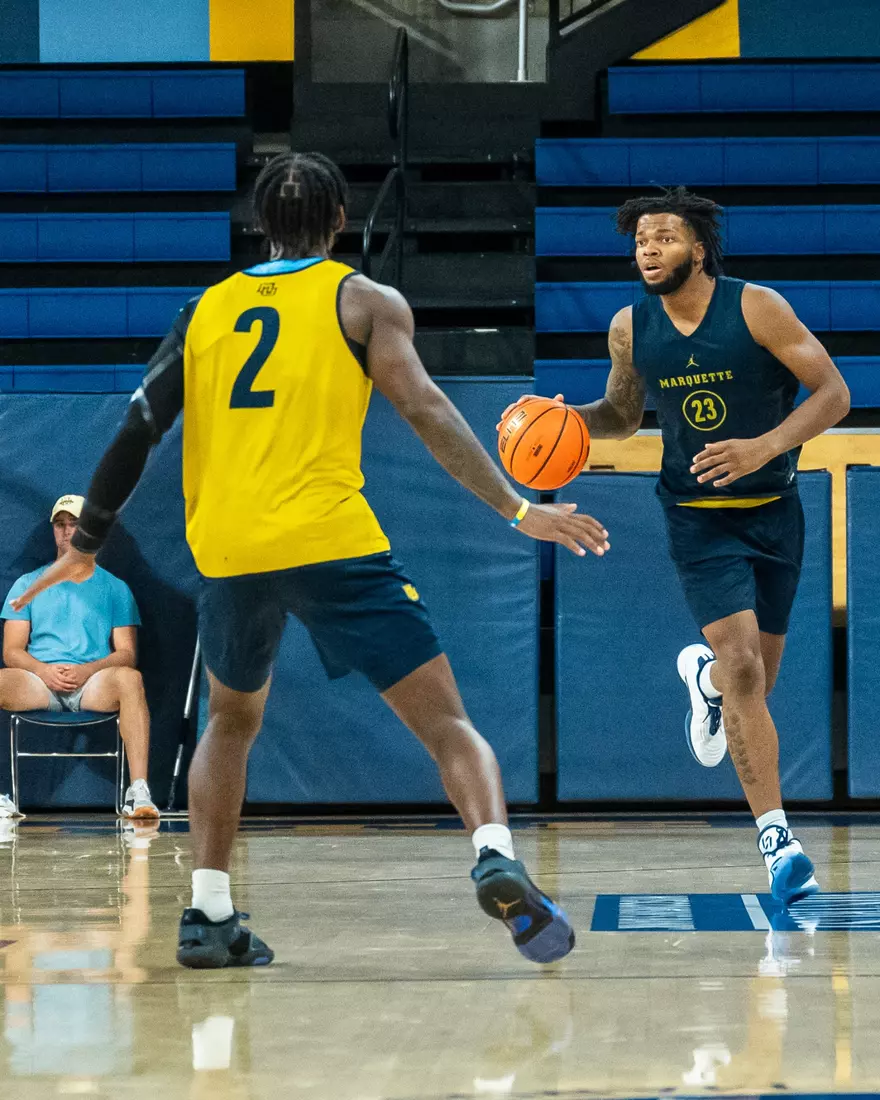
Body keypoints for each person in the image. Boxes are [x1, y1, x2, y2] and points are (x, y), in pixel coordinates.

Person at [12, 151, 611, 969]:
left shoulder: (207, 309)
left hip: (230, 548)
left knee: (229, 723)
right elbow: (428, 411)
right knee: (447, 725)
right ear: (339, 222)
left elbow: (136, 429)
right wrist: (517, 508)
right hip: (331, 541)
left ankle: (208, 915)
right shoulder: (364, 301)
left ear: (259, 224)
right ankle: (495, 854)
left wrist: (84, 545)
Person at [503, 187, 849, 905]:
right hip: (697, 517)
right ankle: (778, 842)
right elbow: (624, 417)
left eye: (663, 237)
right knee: (747, 667)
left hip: (774, 510)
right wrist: (564, 422)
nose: (648, 249)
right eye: (640, 241)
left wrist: (765, 446)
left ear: (698, 248)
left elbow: (833, 394)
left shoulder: (757, 307)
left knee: (754, 680)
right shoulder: (630, 328)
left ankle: (706, 683)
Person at [0, 494, 160, 819]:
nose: (66, 531)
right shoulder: (27, 584)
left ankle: (139, 793)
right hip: (38, 684)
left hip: (93, 686)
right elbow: (11, 651)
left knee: (131, 679)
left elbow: (127, 654)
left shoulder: (115, 588)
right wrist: (43, 671)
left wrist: (88, 670)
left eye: (74, 524)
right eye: (60, 525)